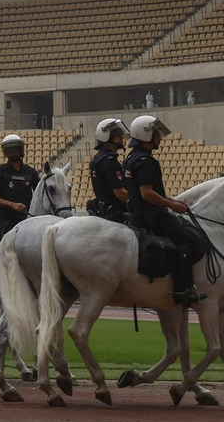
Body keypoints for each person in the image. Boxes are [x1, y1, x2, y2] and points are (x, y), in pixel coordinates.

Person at [124, 115, 206, 305]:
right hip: (153, 216)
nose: (159, 138)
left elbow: (138, 192)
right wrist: (172, 205)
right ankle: (181, 289)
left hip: (136, 213)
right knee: (186, 239)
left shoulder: (130, 159)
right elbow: (146, 193)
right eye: (156, 134)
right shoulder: (147, 162)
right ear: (145, 136)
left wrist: (170, 199)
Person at [0, 133, 40, 304]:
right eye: (10, 151)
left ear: (21, 151)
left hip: (26, 219)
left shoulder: (30, 172)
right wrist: (12, 204)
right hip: (5, 218)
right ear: (5, 153)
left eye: (16, 149)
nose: (13, 153)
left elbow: (39, 194)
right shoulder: (0, 171)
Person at [87, 118, 129, 222]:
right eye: (118, 135)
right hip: (116, 214)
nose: (121, 137)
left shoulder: (98, 158)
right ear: (106, 136)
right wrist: (139, 203)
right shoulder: (109, 161)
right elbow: (120, 193)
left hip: (104, 210)